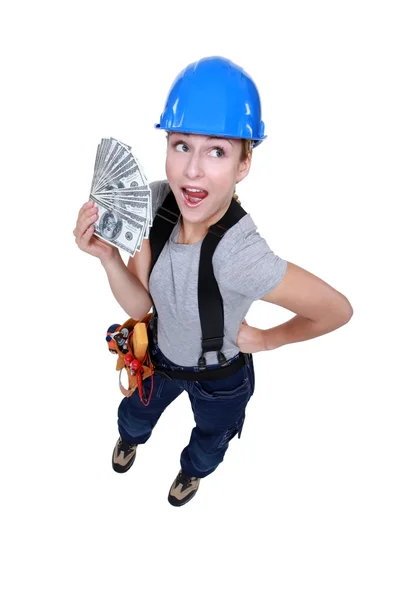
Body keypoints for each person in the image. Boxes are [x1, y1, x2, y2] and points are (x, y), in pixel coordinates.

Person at [73, 56, 353, 507]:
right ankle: (131, 439)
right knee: (135, 414)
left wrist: (267, 339)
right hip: (160, 357)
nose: (192, 170)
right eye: (181, 145)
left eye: (217, 150)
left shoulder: (241, 256)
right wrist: (108, 257)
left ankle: (192, 471)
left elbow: (337, 309)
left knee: (210, 436)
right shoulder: (157, 204)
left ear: (244, 163)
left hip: (220, 376)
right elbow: (138, 305)